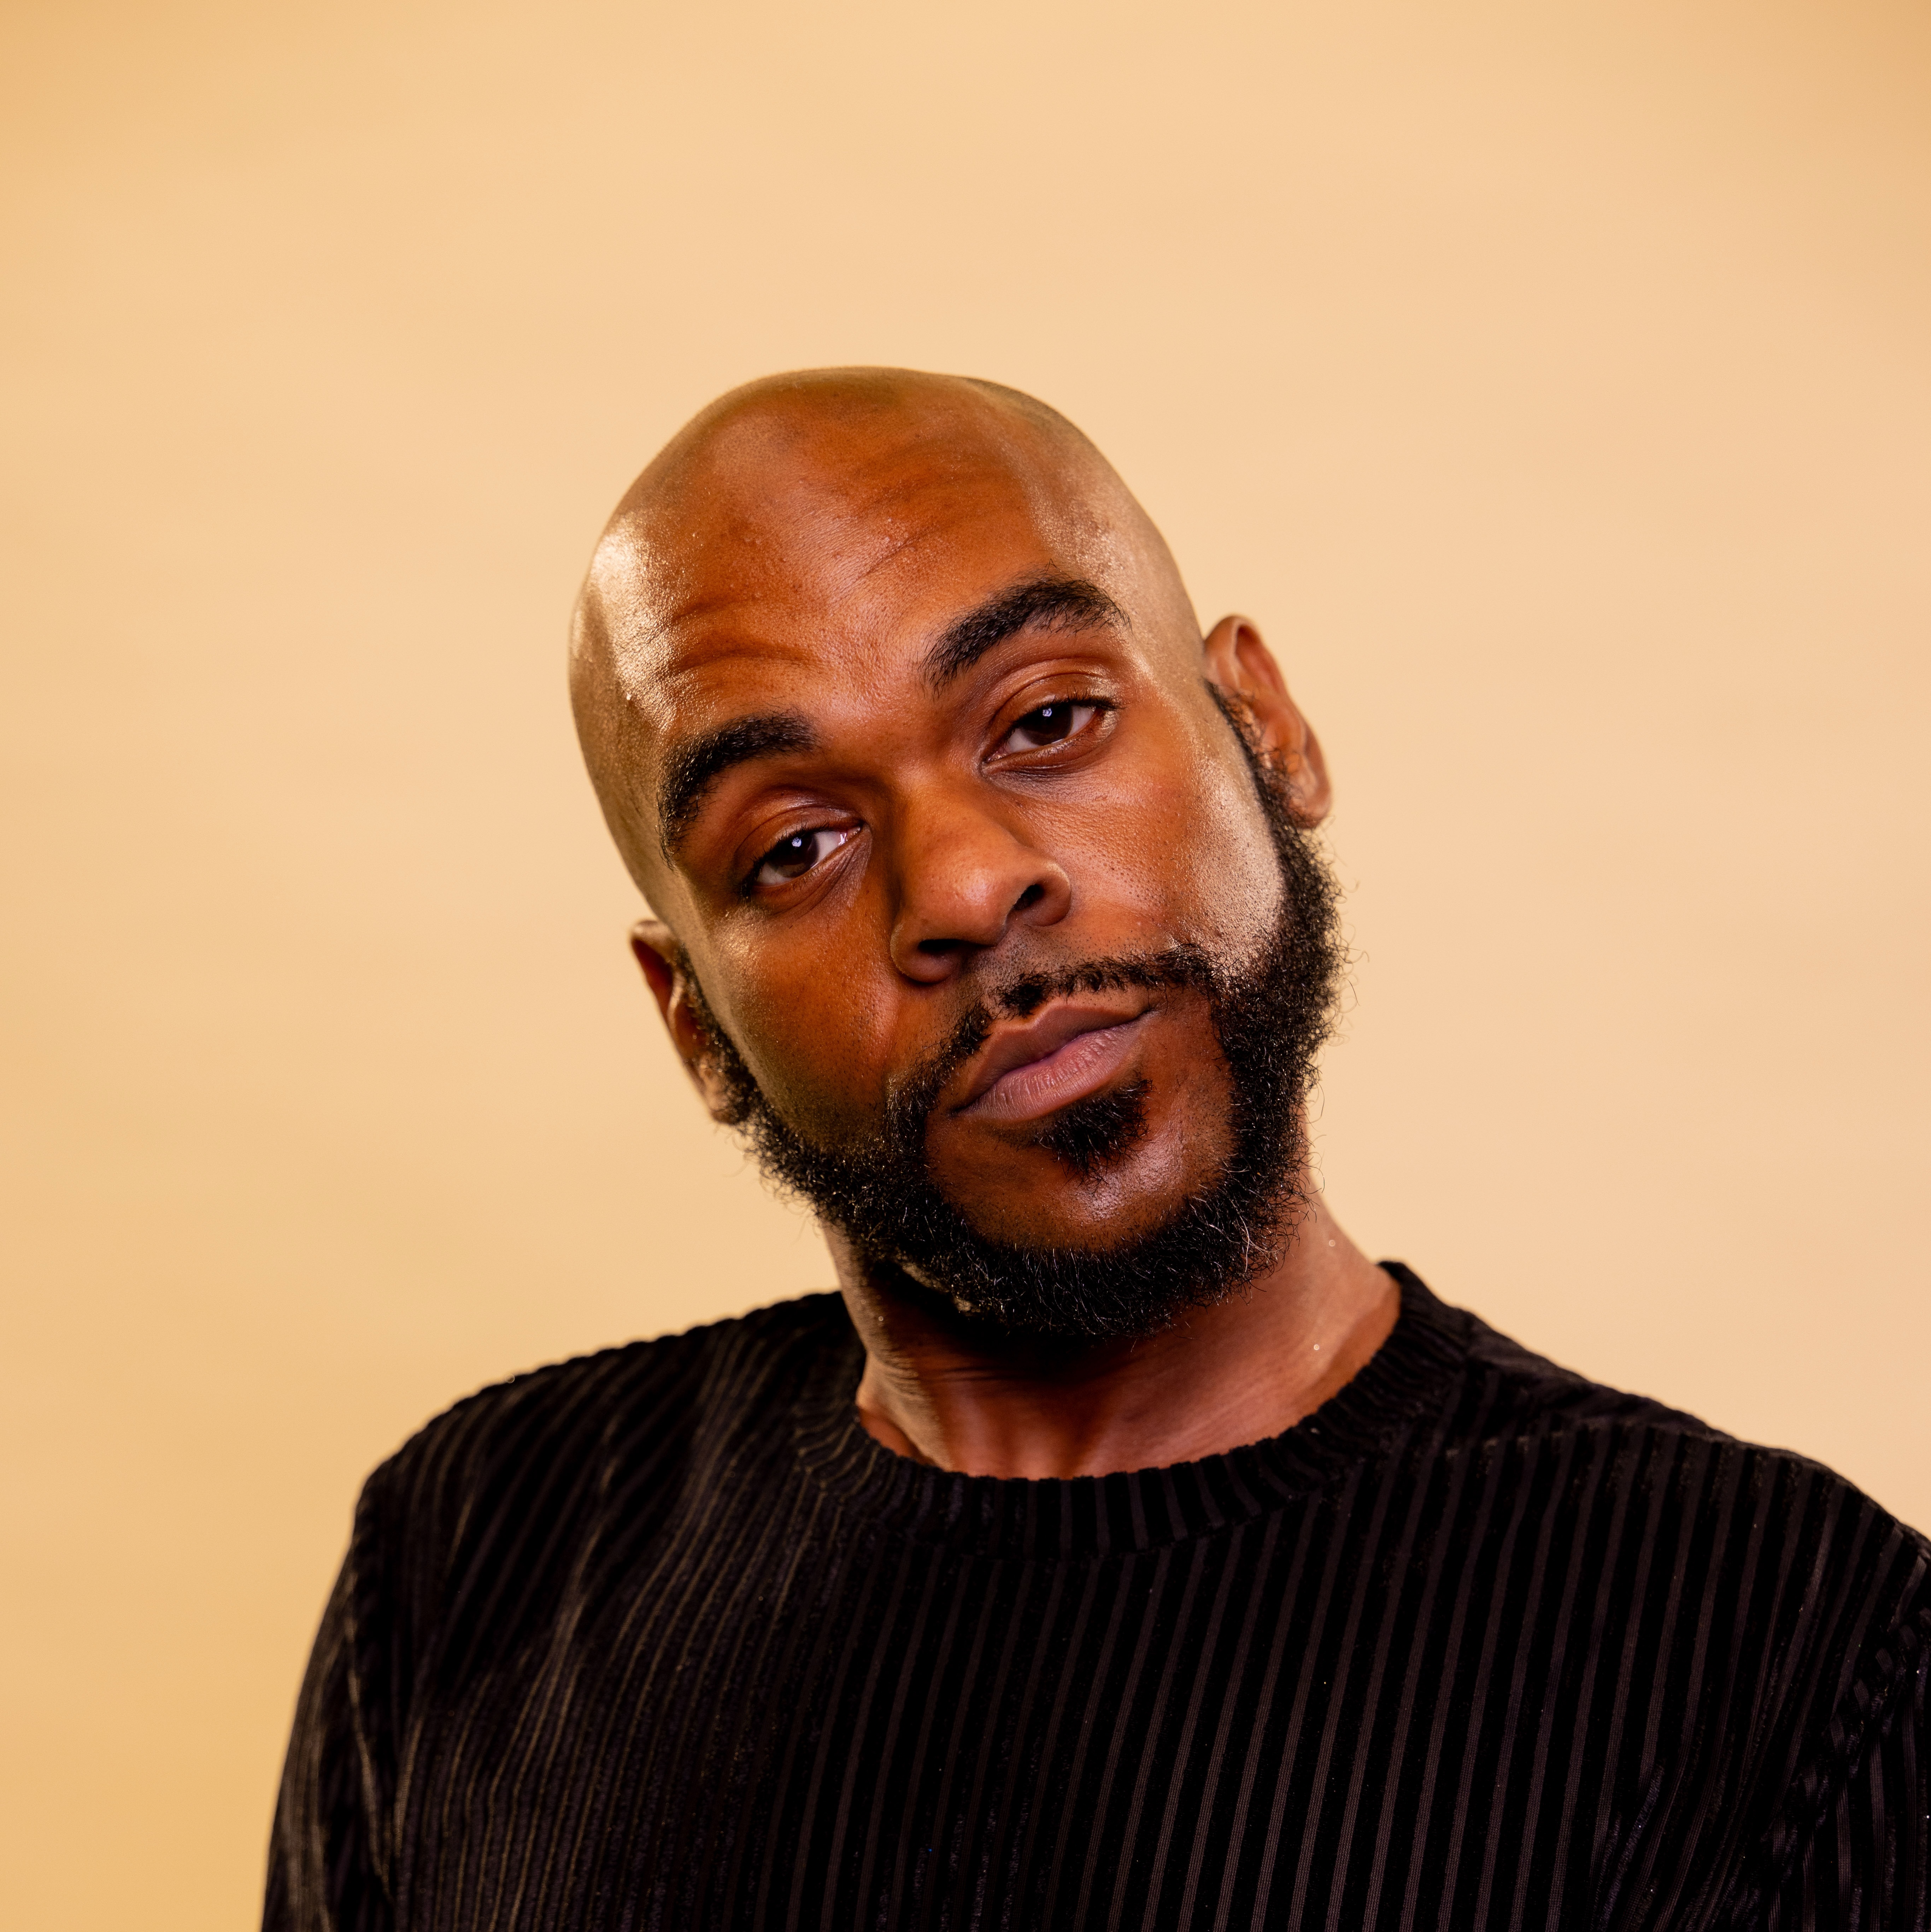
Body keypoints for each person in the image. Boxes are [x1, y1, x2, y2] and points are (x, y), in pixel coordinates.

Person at [266, 369, 1929, 1931]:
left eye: (1049, 718)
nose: (965, 886)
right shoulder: (475, 1554)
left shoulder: (1792, 1648)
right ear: (694, 1019)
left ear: (1263, 728)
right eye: (795, 845)